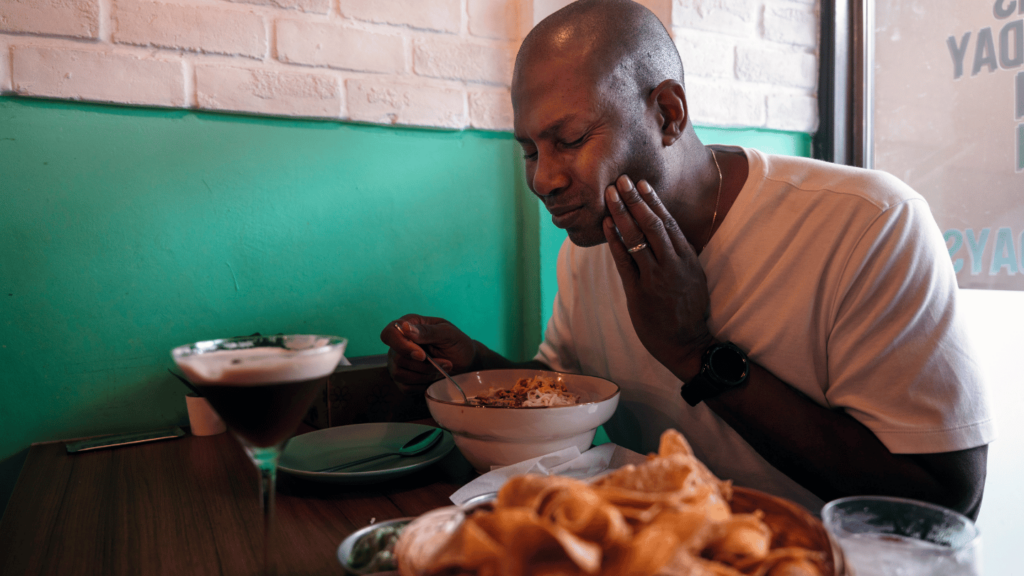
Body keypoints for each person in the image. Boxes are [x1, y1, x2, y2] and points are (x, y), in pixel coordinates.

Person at [380, 0, 994, 517]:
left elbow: (947, 499)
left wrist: (692, 351)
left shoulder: (869, 225)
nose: (543, 180)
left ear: (667, 115)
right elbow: (564, 393)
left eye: (569, 140)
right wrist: (473, 367)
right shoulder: (587, 249)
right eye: (529, 151)